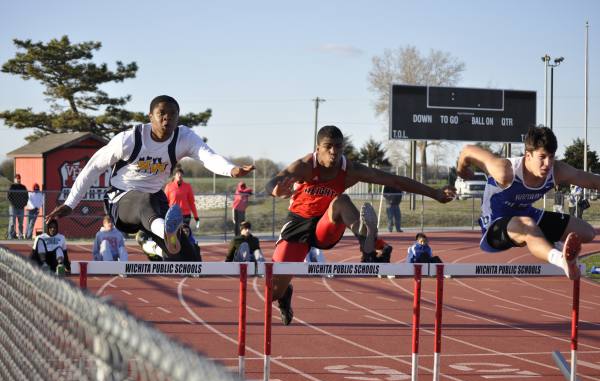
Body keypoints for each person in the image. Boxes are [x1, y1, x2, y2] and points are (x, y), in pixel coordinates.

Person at [266, 125, 455, 325]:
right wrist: (275, 191)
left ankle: (367, 244)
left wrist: (434, 193)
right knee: (273, 291)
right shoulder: (305, 166)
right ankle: (285, 294)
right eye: (328, 147)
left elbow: (394, 180)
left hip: (327, 223)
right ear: (318, 147)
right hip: (298, 224)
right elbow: (273, 182)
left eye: (338, 147)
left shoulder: (350, 170)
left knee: (342, 200)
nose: (334, 152)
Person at [46, 95, 254, 261]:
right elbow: (92, 168)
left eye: (172, 115)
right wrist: (70, 203)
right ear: (150, 116)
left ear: (177, 118)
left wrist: (232, 170)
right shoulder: (129, 139)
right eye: (161, 114)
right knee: (143, 200)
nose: (167, 119)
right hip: (122, 200)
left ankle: (153, 244)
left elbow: (208, 157)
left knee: (188, 260)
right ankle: (162, 232)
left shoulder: (183, 138)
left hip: (155, 200)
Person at [457, 126, 600, 280]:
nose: (548, 163)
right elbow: (467, 150)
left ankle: (551, 242)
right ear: (528, 155)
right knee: (527, 224)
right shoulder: (505, 171)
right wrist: (461, 170)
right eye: (542, 157)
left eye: (551, 157)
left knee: (587, 232)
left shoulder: (557, 171)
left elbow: (591, 180)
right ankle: (561, 259)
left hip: (528, 215)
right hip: (495, 226)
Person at [7, 174, 28, 239]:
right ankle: (10, 236)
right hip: (13, 208)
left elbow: (26, 197)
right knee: (12, 223)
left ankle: (20, 236)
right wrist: (13, 204)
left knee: (21, 223)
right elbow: (9, 196)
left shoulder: (23, 187)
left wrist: (24, 204)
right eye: (17, 178)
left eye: (19, 178)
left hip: (21, 208)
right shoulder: (12, 186)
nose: (18, 179)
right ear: (14, 179)